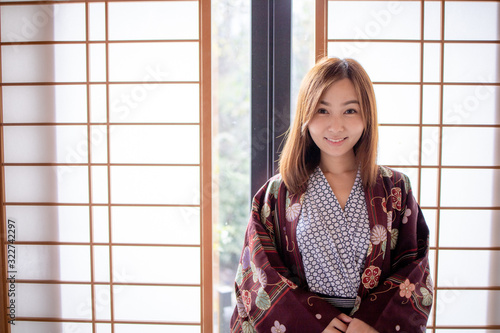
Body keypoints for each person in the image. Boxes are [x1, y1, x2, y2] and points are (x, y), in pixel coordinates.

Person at [230, 57, 433, 333]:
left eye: (350, 111)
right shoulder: (278, 192)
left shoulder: (395, 188)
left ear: (367, 116)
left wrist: (372, 321)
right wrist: (313, 321)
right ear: (306, 114)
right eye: (323, 111)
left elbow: (414, 266)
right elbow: (257, 272)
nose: (336, 126)